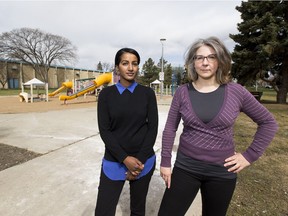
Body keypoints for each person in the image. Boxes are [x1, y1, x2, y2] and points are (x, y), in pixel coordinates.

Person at [158, 36, 278, 216]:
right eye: (200, 57)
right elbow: (170, 129)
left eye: (211, 57)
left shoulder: (236, 91)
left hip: (222, 172)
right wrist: (165, 162)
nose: (205, 63)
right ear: (193, 62)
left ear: (220, 61)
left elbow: (268, 123)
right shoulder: (183, 92)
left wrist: (249, 156)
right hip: (186, 168)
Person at [95, 47, 158, 216]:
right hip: (114, 162)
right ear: (117, 67)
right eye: (125, 63)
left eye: (134, 64)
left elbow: (152, 128)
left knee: (138, 211)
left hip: (143, 162)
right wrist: (124, 159)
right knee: (103, 211)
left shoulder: (147, 94)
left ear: (138, 67)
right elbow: (104, 130)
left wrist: (138, 163)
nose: (130, 68)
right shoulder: (106, 95)